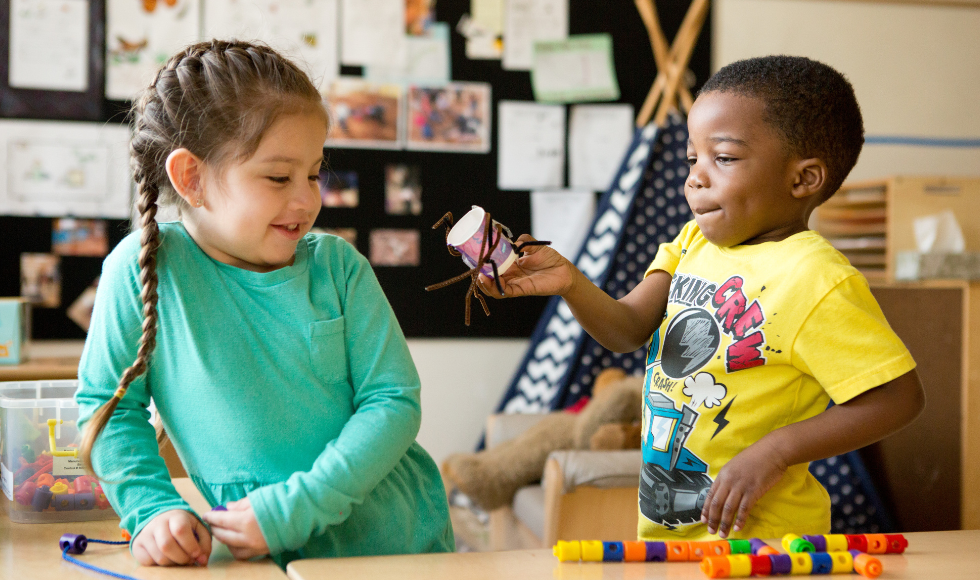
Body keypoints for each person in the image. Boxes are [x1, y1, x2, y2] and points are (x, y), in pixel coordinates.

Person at [479, 55, 925, 541]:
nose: (696, 177)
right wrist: (570, 282)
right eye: (693, 159)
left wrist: (774, 452)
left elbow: (898, 398)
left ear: (803, 179)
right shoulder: (692, 242)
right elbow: (626, 328)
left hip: (761, 544)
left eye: (724, 158)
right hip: (670, 535)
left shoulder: (815, 278)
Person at [75, 40, 454, 569]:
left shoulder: (339, 267)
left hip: (393, 546)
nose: (306, 199)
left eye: (314, 173)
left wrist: (300, 505)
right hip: (256, 553)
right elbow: (110, 408)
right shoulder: (143, 270)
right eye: (279, 177)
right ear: (193, 178)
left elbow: (393, 402)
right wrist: (151, 510)